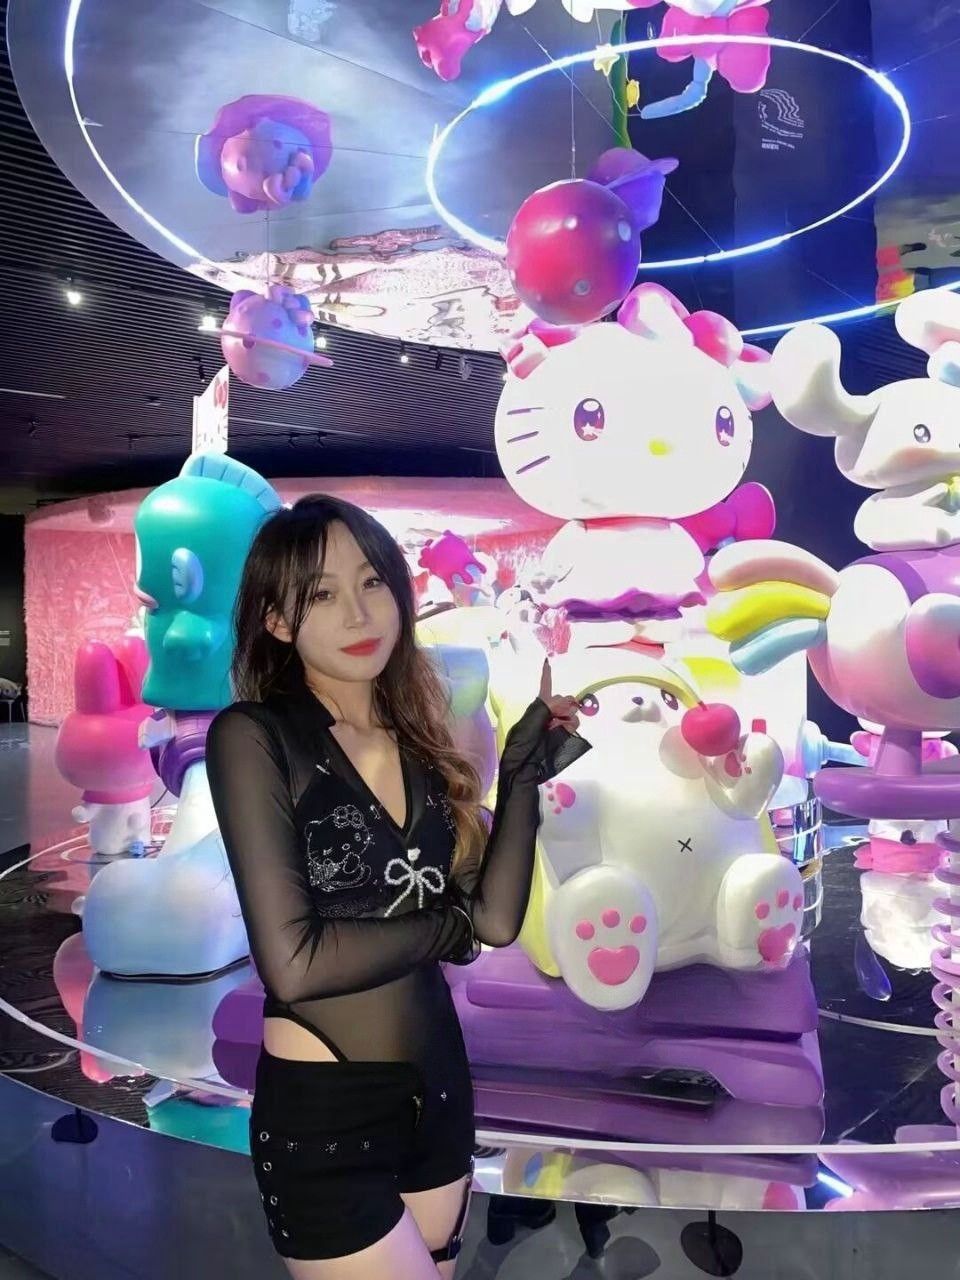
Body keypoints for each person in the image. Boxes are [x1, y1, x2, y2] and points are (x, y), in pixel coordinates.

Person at [206, 495, 589, 1279]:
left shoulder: (420, 744)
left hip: (440, 1094)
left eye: (372, 581)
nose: (358, 611)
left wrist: (520, 780)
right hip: (327, 1116)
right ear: (277, 620)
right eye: (321, 593)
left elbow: (494, 920)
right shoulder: (254, 737)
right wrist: (448, 929)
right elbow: (294, 964)